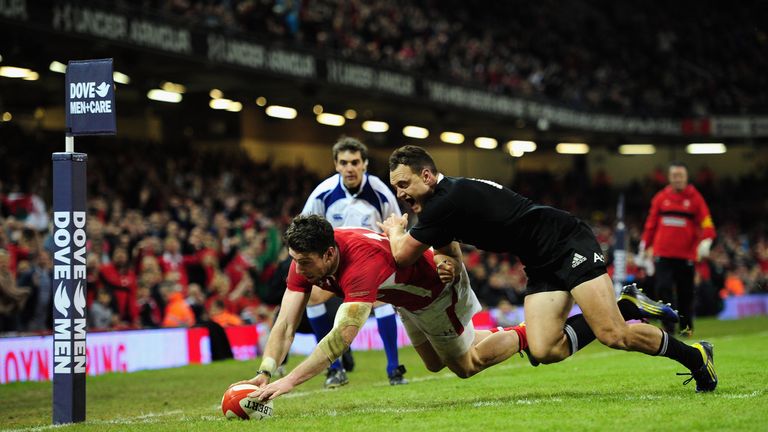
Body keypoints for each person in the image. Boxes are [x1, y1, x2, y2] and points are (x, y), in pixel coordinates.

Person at [378, 145, 717, 393]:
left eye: (404, 184)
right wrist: (446, 263)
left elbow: (404, 256)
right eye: (395, 187)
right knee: (544, 349)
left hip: (566, 242)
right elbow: (447, 248)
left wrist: (394, 229)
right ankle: (626, 305)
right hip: (539, 260)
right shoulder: (441, 203)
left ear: (426, 175)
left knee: (614, 335)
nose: (400, 193)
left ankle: (696, 356)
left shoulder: (443, 203)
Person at [239, 215, 528, 401]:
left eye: (304, 262)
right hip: (405, 297)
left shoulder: (360, 265)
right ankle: (482, 335)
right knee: (434, 363)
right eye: (294, 260)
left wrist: (289, 381)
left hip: (436, 291)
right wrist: (266, 371)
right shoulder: (306, 257)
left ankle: (524, 334)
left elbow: (341, 337)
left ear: (329, 254)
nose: (298, 269)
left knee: (466, 366)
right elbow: (286, 323)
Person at [300, 137, 406, 387]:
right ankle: (334, 369)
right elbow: (303, 230)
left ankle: (394, 368)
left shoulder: (379, 191)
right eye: (344, 162)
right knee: (313, 298)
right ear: (336, 165)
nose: (350, 168)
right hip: (334, 264)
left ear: (364, 164)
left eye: (355, 162)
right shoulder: (323, 193)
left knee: (381, 300)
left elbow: (395, 226)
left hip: (371, 263)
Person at [641, 161, 716, 336]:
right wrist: (645, 245)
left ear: (686, 177)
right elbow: (650, 224)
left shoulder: (696, 199)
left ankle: (686, 327)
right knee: (663, 288)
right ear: (669, 177)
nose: (677, 179)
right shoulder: (660, 198)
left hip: (686, 256)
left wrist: (707, 240)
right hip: (663, 254)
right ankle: (668, 326)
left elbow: (707, 223)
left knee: (685, 294)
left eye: (680, 176)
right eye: (674, 176)